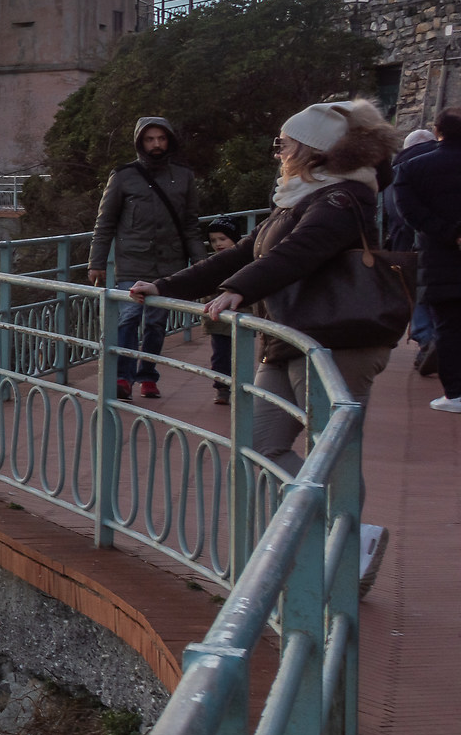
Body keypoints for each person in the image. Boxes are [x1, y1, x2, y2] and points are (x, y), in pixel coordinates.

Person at [135, 99, 403, 584]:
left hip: (335, 341)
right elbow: (241, 252)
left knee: (332, 451)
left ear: (311, 148)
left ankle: (348, 545)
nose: (278, 151)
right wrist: (167, 287)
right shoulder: (301, 197)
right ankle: (336, 535)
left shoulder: (342, 199)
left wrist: (241, 289)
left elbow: (303, 251)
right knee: (260, 444)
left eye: (284, 143)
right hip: (287, 337)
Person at [87, 116, 200, 400]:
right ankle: (123, 377)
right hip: (132, 262)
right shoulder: (124, 176)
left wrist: (202, 265)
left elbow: (190, 226)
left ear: (169, 140)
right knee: (129, 317)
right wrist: (96, 262)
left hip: (169, 262)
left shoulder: (184, 176)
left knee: (155, 322)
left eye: (161, 139)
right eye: (150, 139)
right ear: (140, 142)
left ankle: (148, 376)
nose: (156, 145)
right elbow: (105, 223)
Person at [391, 108, 461, 414]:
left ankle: (456, 394)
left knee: (448, 327)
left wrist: (451, 234)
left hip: (439, 258)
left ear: (439, 131)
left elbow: (410, 214)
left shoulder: (411, 169)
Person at [391, 126, 442, 377]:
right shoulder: (447, 161)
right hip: (446, 240)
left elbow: (392, 210)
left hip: (410, 243)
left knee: (417, 292)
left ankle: (426, 338)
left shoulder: (401, 168)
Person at [199, 221, 242, 404]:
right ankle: (222, 388)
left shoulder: (245, 262)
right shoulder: (211, 263)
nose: (218, 244)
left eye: (223, 239)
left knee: (239, 354)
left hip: (240, 317)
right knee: (221, 354)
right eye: (213, 240)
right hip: (218, 319)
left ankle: (239, 386)